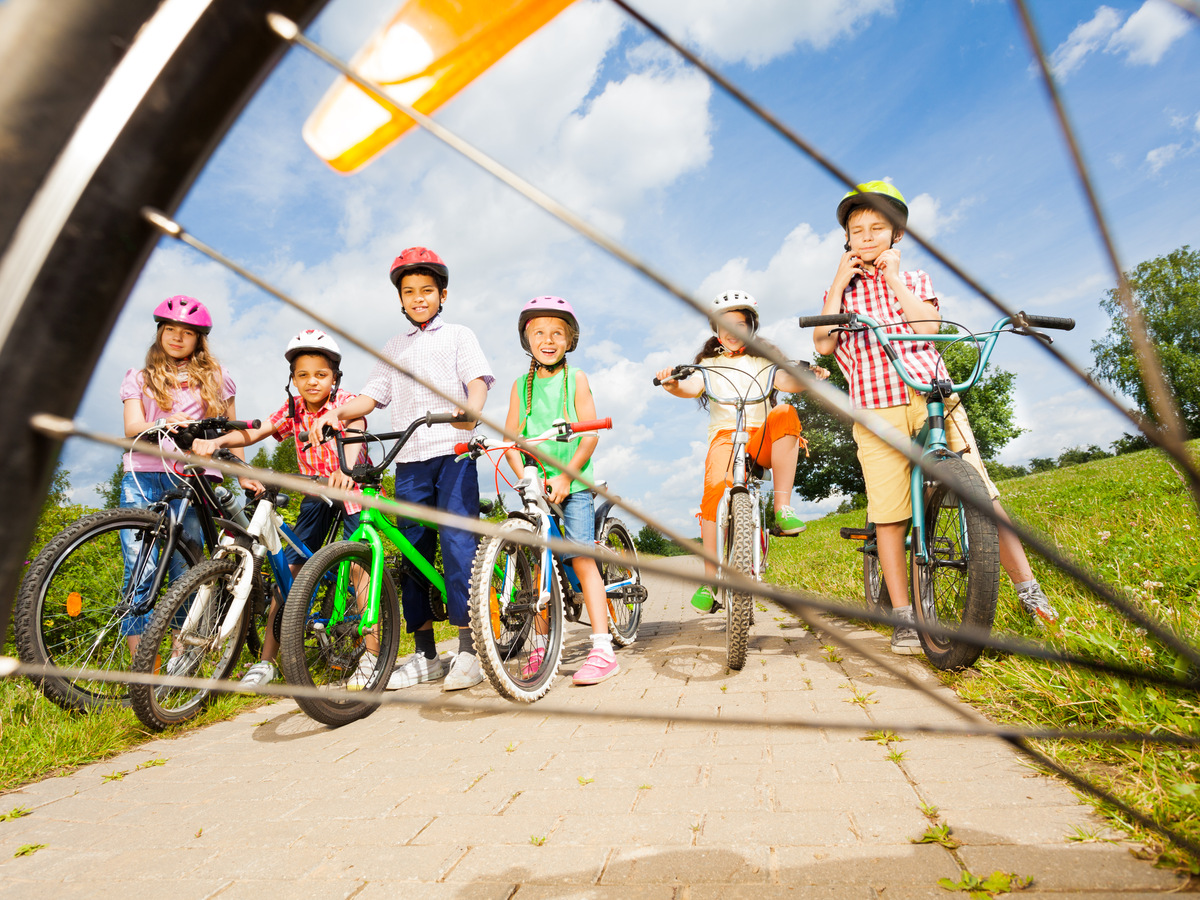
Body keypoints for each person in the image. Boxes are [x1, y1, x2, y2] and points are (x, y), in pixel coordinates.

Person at [810, 181, 1057, 654]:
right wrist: (840, 283)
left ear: (896, 234)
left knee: (983, 495)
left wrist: (895, 278)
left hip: (933, 394)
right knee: (890, 516)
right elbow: (823, 344)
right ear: (845, 239)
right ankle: (904, 617)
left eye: (877, 228)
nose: (866, 236)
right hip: (876, 408)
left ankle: (1031, 593)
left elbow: (927, 328)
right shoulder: (839, 294)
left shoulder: (916, 279)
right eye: (856, 230)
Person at [311, 247, 493, 691]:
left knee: (456, 544)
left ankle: (469, 650)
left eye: (426, 291)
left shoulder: (459, 336)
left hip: (453, 451)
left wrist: (470, 413)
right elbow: (372, 396)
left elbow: (476, 381)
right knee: (411, 551)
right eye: (409, 292)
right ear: (400, 299)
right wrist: (336, 412)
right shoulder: (393, 347)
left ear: (442, 294)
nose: (418, 298)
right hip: (409, 459)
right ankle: (426, 653)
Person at [193, 329, 368, 687]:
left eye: (320, 374)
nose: (311, 382)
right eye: (302, 375)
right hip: (314, 494)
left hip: (350, 490)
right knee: (289, 568)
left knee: (358, 570)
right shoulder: (294, 409)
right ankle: (267, 662)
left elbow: (357, 428)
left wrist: (345, 468)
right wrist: (221, 441)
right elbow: (258, 431)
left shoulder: (345, 402)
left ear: (334, 377)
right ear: (293, 380)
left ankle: (374, 657)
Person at [656, 291, 828, 615]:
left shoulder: (764, 360)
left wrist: (808, 377)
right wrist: (671, 384)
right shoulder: (708, 364)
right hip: (725, 437)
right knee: (713, 493)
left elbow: (786, 380)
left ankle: (783, 508)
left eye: (740, 324)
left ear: (751, 327)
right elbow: (690, 386)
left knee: (786, 411)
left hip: (760, 437)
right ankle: (710, 582)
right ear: (716, 331)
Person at [119, 295, 262, 655]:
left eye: (187, 332)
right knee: (139, 570)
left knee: (187, 569)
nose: (177, 337)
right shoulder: (139, 378)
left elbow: (230, 428)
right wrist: (161, 424)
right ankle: (142, 669)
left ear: (200, 339)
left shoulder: (216, 378)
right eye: (170, 330)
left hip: (194, 479)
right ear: (159, 333)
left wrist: (241, 472)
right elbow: (132, 427)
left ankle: (180, 660)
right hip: (143, 475)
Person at [502, 296, 617, 685]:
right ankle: (540, 645)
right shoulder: (521, 386)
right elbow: (511, 438)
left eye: (557, 334)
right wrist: (524, 475)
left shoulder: (576, 378)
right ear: (527, 339)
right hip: (537, 482)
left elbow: (590, 434)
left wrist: (566, 477)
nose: (548, 340)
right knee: (539, 564)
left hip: (573, 479)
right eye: (539, 333)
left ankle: (602, 648)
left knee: (581, 558)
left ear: (570, 340)